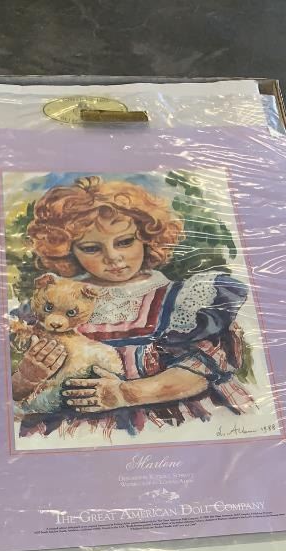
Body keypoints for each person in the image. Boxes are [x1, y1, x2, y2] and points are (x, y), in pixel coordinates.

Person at [15, 175, 253, 437]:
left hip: (166, 422)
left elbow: (198, 372)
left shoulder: (179, 299)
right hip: (72, 430)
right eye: (91, 248)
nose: (113, 257)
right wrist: (27, 377)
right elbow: (9, 389)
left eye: (125, 242)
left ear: (148, 238)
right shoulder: (53, 302)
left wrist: (126, 393)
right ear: (68, 250)